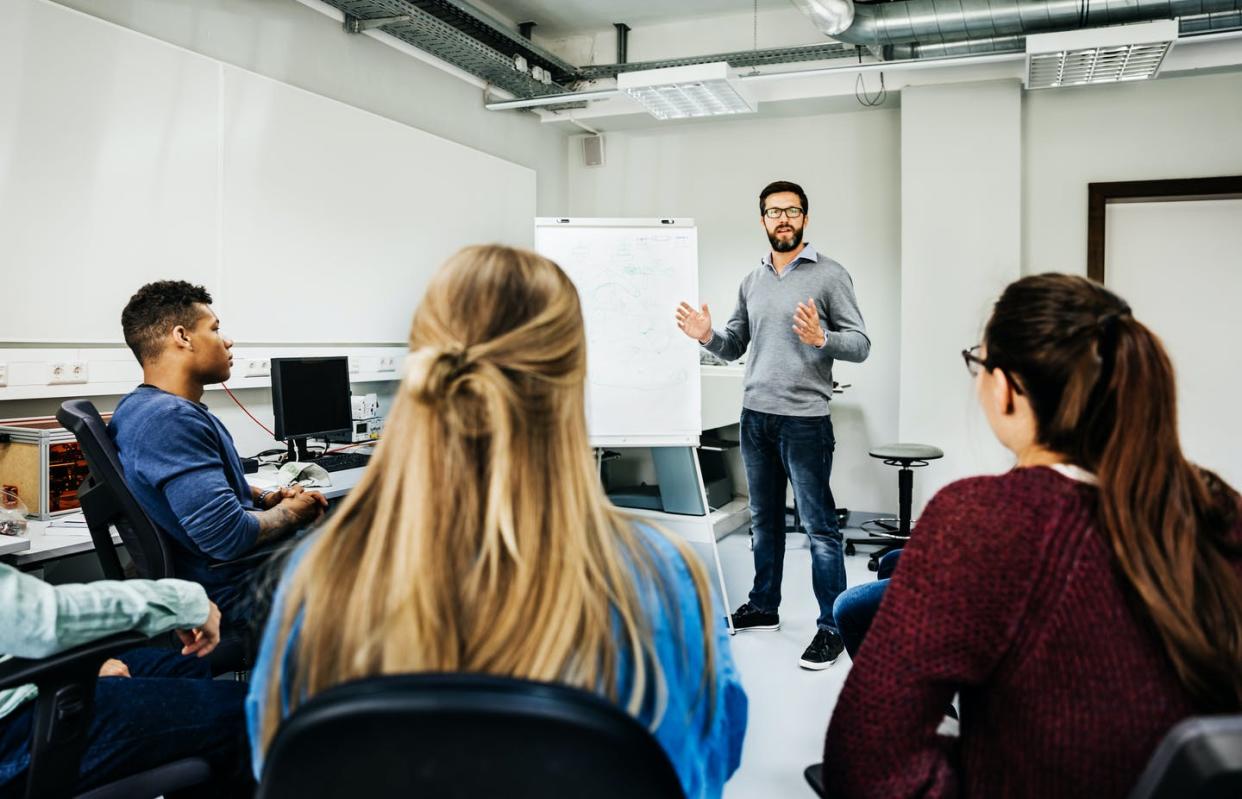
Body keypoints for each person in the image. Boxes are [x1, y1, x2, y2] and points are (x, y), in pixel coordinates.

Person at [246, 245, 747, 798]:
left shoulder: (320, 580)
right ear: (571, 383)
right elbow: (703, 769)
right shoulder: (658, 579)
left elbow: (275, 759)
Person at [823, 274, 1242, 798]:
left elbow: (864, 771)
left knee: (865, 600)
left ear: (1006, 388)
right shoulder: (1216, 500)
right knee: (872, 592)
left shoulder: (981, 517)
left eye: (978, 362)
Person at [675, 180, 870, 670]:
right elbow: (735, 345)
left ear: (805, 218)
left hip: (804, 422)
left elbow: (861, 344)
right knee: (763, 523)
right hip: (755, 418)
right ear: (762, 219)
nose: (783, 219)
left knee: (820, 529)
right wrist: (707, 337)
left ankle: (833, 626)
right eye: (773, 211)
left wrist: (823, 338)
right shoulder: (752, 280)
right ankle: (765, 607)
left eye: (792, 211)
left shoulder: (830, 275)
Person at [109, 281, 326, 626]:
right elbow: (227, 536)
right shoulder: (171, 420)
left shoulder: (140, 408)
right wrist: (291, 513)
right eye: (215, 328)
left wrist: (266, 496)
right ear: (183, 337)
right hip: (231, 589)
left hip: (221, 577)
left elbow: (195, 491)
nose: (227, 341)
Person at [0, 563, 249, 796]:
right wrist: (184, 601)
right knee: (243, 709)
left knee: (183, 667)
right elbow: (45, 616)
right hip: (11, 732)